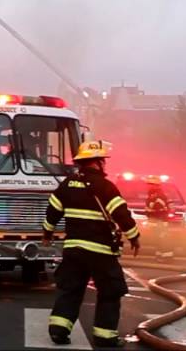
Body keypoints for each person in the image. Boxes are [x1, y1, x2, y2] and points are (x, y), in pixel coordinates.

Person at [41, 140, 141, 348]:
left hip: (73, 249)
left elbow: (52, 209)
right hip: (100, 251)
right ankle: (105, 336)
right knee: (111, 290)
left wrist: (47, 233)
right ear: (98, 162)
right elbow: (121, 214)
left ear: (81, 162)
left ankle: (59, 330)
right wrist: (134, 237)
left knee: (71, 289)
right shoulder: (105, 186)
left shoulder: (68, 183)